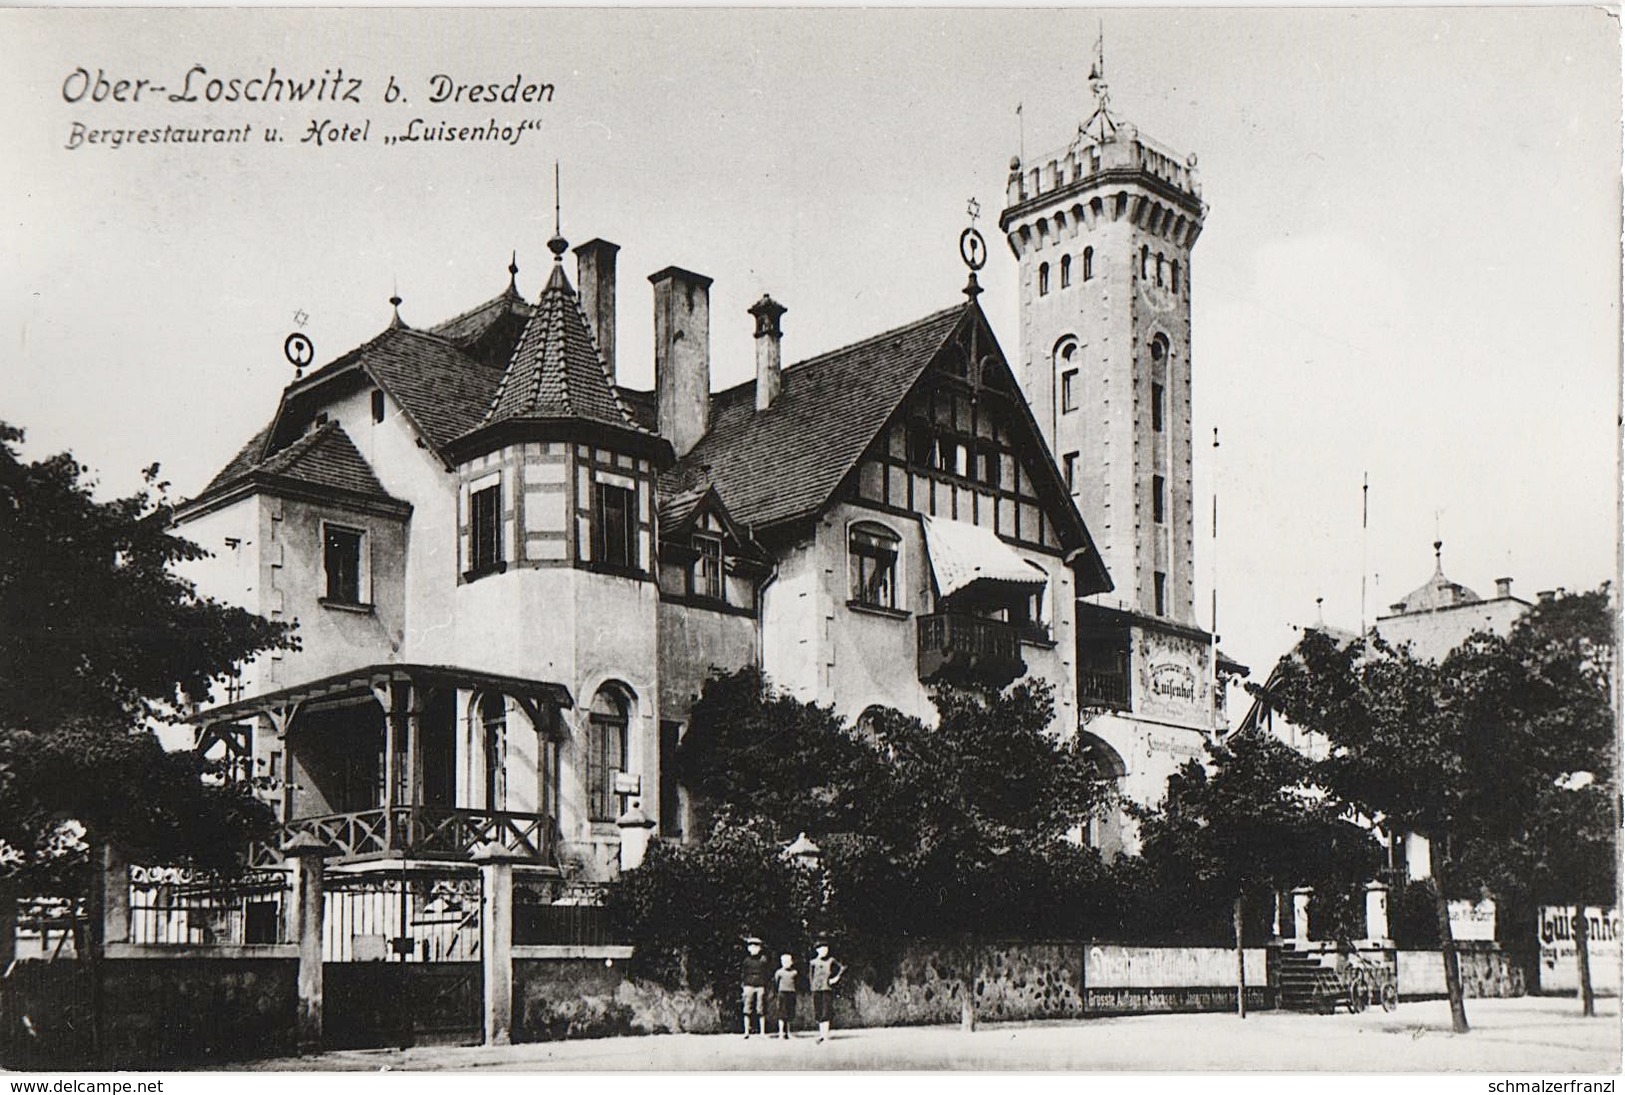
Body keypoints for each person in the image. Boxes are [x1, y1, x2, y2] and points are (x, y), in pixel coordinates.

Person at [807, 939, 845, 1043]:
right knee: (818, 1011)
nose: (824, 951)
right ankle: (821, 1034)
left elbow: (842, 968)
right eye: (822, 949)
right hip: (816, 989)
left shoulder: (831, 960)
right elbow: (811, 976)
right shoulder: (813, 962)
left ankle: (826, 1035)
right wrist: (812, 987)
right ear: (817, 950)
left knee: (826, 1011)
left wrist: (835, 978)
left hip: (827, 988)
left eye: (826, 949)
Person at [740, 936, 771, 1038]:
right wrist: (744, 986)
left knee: (761, 1009)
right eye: (752, 947)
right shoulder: (746, 961)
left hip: (760, 986)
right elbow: (743, 974)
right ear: (748, 949)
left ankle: (762, 1032)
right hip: (748, 986)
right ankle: (746, 1032)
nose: (754, 949)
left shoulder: (763, 960)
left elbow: (767, 973)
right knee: (747, 1009)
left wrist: (765, 985)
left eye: (756, 947)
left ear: (760, 948)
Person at [771, 952, 799, 1039]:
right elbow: (776, 983)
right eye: (784, 961)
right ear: (781, 962)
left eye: (788, 961)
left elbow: (797, 983)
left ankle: (788, 1032)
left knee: (790, 1014)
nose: (787, 963)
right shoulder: (779, 972)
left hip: (791, 993)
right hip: (782, 994)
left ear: (792, 962)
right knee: (782, 1014)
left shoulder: (794, 972)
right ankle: (781, 1033)